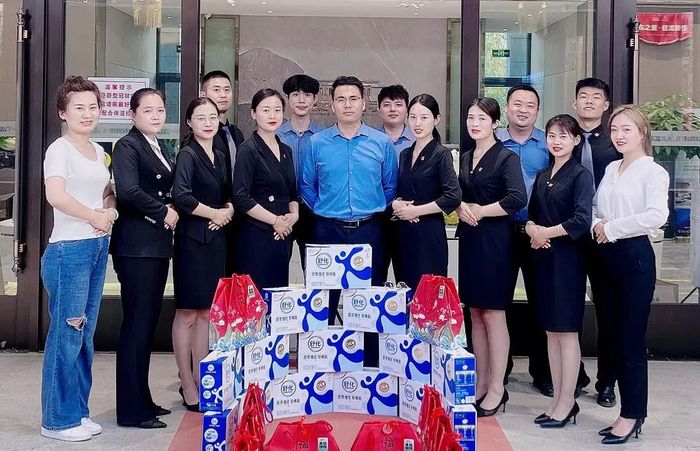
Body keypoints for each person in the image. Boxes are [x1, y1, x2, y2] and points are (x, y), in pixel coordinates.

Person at [300, 75, 398, 367]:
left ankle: (369, 365)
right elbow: (306, 186)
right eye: (340, 99)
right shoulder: (317, 143)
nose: (347, 105)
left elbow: (390, 186)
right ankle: (322, 365)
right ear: (332, 105)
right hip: (326, 231)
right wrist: (326, 208)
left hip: (370, 230)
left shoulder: (381, 143)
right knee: (323, 302)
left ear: (363, 103)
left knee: (368, 302)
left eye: (353, 98)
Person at [40, 76, 115, 442]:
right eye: (79, 107)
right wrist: (93, 216)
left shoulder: (98, 151)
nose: (88, 113)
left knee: (84, 335)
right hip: (68, 250)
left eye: (93, 107)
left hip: (96, 246)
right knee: (66, 334)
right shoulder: (60, 149)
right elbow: (55, 195)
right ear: (63, 112)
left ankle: (77, 412)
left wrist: (109, 211)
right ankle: (56, 420)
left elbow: (107, 192)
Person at [593, 105, 669, 445]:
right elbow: (596, 207)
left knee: (630, 340)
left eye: (626, 129)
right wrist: (598, 224)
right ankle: (625, 412)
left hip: (634, 256)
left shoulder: (653, 172)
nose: (619, 135)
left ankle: (633, 413)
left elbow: (656, 215)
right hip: (606, 254)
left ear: (642, 133)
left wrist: (613, 228)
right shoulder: (612, 168)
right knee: (611, 336)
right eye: (614, 130)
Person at [111, 88, 178, 429]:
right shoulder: (127, 145)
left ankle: (142, 398)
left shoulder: (157, 145)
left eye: (160, 110)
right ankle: (131, 411)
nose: (155, 116)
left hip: (155, 245)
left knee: (146, 324)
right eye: (148, 110)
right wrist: (163, 212)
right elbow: (128, 191)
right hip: (137, 247)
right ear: (132, 114)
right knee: (136, 325)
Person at [456, 97, 526, 418]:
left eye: (482, 119)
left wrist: (482, 211)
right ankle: (480, 381)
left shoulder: (506, 157)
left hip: (496, 241)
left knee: (494, 313)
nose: (475, 123)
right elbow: (458, 194)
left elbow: (517, 198)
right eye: (471, 118)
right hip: (471, 239)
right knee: (475, 313)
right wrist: (461, 207)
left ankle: (497, 387)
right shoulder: (466, 157)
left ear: (495, 123)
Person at [527, 114, 593, 429]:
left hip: (568, 260)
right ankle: (556, 400)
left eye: (563, 136)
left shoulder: (580, 175)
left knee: (566, 331)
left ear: (576, 140)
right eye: (552, 135)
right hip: (543, 258)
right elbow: (531, 214)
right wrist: (532, 229)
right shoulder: (543, 174)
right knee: (551, 331)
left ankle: (568, 401)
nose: (556, 141)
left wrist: (545, 233)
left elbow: (581, 219)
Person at [171, 97, 234, 411]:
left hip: (216, 240)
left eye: (212, 117)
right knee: (187, 313)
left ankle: (201, 377)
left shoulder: (219, 154)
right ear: (189, 122)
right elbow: (181, 196)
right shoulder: (187, 154)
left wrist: (228, 210)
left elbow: (229, 194)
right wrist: (214, 213)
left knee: (207, 313)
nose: (208, 123)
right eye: (200, 117)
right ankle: (186, 382)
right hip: (192, 241)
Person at [496, 85, 553, 397]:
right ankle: (498, 371)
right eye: (517, 104)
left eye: (530, 105)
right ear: (507, 107)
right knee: (498, 302)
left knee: (541, 301)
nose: (523, 110)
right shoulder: (492, 142)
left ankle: (542, 372)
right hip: (501, 231)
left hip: (538, 232)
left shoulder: (548, 143)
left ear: (537, 111)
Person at [572, 77, 622, 408]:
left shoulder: (616, 144)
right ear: (574, 103)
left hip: (606, 237)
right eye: (583, 96)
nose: (589, 101)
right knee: (569, 309)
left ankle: (607, 382)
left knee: (608, 311)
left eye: (596, 97)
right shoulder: (565, 138)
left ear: (606, 106)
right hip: (571, 237)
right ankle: (573, 376)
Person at [391, 94, 460, 290]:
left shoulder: (441, 154)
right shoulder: (405, 154)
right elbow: (399, 190)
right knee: (405, 292)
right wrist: (396, 203)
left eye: (424, 117)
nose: (417, 123)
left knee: (428, 294)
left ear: (436, 119)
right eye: (413, 117)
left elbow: (452, 196)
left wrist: (416, 211)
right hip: (404, 234)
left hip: (428, 234)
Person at [233, 89, 298, 289]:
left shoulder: (285, 150)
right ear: (253, 113)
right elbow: (241, 197)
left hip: (282, 234)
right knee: (256, 296)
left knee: (278, 294)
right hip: (257, 234)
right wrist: (275, 221)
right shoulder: (248, 149)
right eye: (266, 110)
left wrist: (294, 216)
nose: (272, 116)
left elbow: (292, 192)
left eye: (277, 110)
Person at [200, 70, 245, 273]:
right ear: (203, 94)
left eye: (227, 90)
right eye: (216, 90)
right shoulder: (199, 136)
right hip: (211, 218)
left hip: (237, 215)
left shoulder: (236, 133)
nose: (223, 95)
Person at [278, 74, 324, 269]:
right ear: (287, 98)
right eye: (296, 94)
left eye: (307, 95)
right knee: (278, 266)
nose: (301, 100)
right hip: (282, 211)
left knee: (316, 270)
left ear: (315, 99)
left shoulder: (324, 137)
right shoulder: (276, 135)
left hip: (314, 209)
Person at [378, 84, 415, 158]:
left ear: (407, 110)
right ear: (379, 110)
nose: (393, 109)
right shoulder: (370, 140)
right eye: (387, 105)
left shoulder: (417, 139)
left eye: (398, 105)